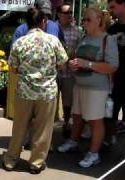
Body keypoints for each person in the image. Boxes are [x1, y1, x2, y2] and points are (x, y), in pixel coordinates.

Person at [2, 7, 68, 174]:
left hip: (24, 92)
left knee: (19, 127)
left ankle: (10, 160)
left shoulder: (20, 42)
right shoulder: (53, 41)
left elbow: (13, 68)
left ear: (28, 23)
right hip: (47, 93)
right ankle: (36, 163)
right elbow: (62, 64)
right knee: (43, 130)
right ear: (43, 22)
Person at [57, 8, 119, 168]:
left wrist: (88, 64)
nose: (83, 22)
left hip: (97, 89)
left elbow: (112, 66)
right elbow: (77, 58)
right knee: (76, 116)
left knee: (95, 122)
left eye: (87, 19)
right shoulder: (84, 37)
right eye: (83, 19)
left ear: (99, 20)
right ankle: (74, 141)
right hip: (80, 85)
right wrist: (74, 63)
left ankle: (94, 153)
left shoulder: (107, 39)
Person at [107, 0, 125, 171]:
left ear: (123, 5)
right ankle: (107, 143)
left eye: (113, 6)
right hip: (114, 81)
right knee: (109, 115)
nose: (110, 10)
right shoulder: (112, 30)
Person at [56, 2, 83, 136]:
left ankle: (66, 123)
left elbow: (82, 48)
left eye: (71, 12)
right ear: (59, 14)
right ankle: (48, 126)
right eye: (66, 12)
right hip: (54, 72)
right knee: (51, 101)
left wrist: (75, 54)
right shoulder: (52, 28)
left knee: (68, 101)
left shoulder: (77, 30)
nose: (70, 15)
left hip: (69, 73)